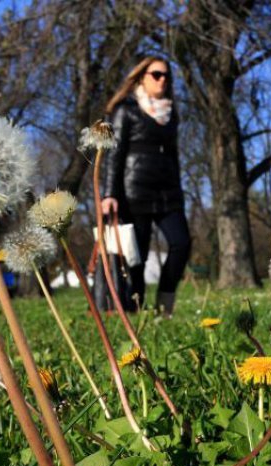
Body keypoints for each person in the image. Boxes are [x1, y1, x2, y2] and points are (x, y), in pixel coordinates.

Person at [100, 56, 191, 316]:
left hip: (169, 193)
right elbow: (113, 155)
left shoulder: (171, 114)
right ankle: (133, 309)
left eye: (166, 76)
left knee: (181, 243)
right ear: (141, 77)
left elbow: (174, 155)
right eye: (156, 74)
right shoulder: (125, 110)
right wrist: (109, 194)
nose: (162, 80)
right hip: (133, 191)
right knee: (135, 258)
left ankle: (165, 307)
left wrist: (179, 190)